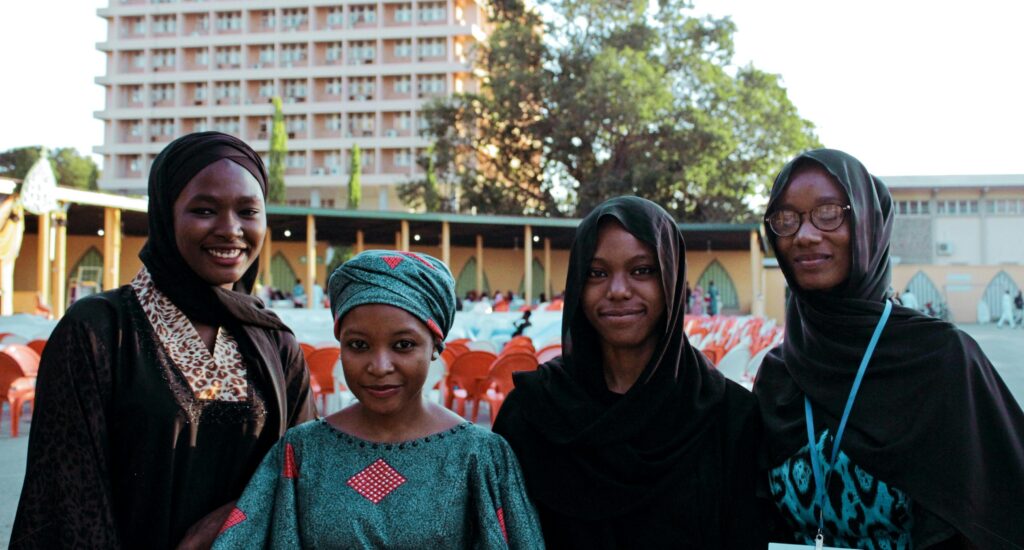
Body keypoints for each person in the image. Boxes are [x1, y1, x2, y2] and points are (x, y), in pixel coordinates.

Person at [10, 132, 316, 549]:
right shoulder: (98, 331)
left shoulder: (275, 343)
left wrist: (230, 519)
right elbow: (67, 496)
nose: (231, 230)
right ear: (164, 216)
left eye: (248, 211)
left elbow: (303, 477)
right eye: (204, 210)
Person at [756, 148, 1024, 549]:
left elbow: (997, 516)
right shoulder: (779, 375)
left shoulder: (941, 359)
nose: (805, 235)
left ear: (868, 224)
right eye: (786, 218)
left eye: (828, 213)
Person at [214, 250, 543, 548]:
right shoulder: (301, 451)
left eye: (403, 345)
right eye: (358, 345)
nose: (379, 366)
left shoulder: (479, 456)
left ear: (435, 346)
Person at [493, 196, 763, 549]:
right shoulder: (532, 414)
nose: (618, 291)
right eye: (597, 273)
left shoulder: (728, 416)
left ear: (671, 280)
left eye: (642, 270)